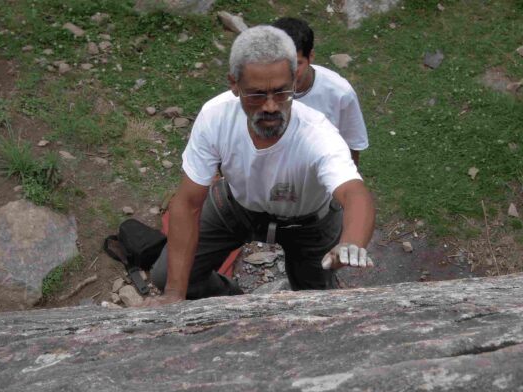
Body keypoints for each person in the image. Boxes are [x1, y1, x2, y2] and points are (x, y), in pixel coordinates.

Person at [139, 25, 375, 307]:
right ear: (234, 84)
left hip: (309, 222)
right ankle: (230, 302)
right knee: (167, 277)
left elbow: (354, 193)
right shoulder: (215, 117)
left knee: (315, 301)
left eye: (281, 92)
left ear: (295, 82)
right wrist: (174, 295)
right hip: (236, 206)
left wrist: (351, 242)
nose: (271, 106)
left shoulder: (317, 133)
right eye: (257, 95)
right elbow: (188, 203)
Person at [202, 17, 369, 168]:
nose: (290, 72)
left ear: (311, 56)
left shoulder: (340, 93)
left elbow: (352, 145)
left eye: (297, 63)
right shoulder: (252, 93)